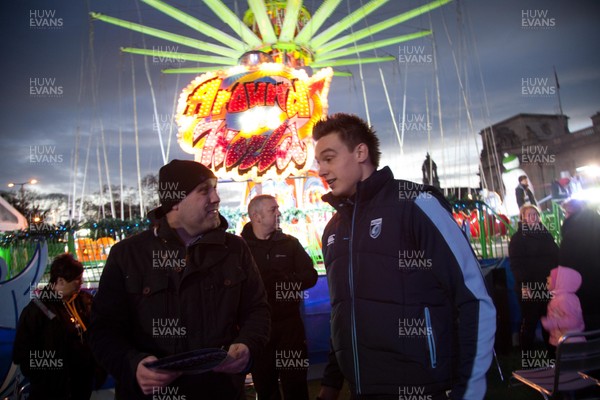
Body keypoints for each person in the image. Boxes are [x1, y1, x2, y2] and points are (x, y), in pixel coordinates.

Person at [312, 113, 496, 400]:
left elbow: (475, 298)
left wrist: (470, 392)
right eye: (319, 161)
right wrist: (332, 383)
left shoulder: (416, 203)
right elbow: (344, 312)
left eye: (329, 158)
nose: (321, 170)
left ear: (360, 152)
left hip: (427, 388)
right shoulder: (333, 229)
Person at [89, 160, 270, 399]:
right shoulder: (127, 255)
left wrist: (248, 346)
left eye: (214, 188)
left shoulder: (235, 249)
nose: (216, 198)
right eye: (204, 190)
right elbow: (102, 330)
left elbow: (257, 311)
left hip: (220, 392)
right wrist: (133, 365)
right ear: (175, 202)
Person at [241, 194, 318, 400]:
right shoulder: (241, 249)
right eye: (273, 210)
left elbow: (310, 276)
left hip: (290, 329)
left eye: (278, 209)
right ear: (256, 216)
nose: (279, 213)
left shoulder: (290, 244)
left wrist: (286, 281)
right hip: (259, 332)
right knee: (266, 388)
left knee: (296, 386)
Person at [13, 253, 100, 400]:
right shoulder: (36, 310)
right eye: (77, 280)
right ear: (60, 281)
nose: (81, 282)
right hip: (51, 391)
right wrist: (50, 373)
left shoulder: (84, 302)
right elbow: (21, 354)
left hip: (81, 387)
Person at [508, 205, 558, 351]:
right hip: (529, 286)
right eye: (529, 215)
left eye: (535, 214)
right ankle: (529, 357)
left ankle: (552, 357)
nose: (533, 217)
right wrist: (524, 285)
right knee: (530, 320)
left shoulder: (546, 235)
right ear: (522, 218)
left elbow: (556, 256)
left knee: (548, 320)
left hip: (547, 284)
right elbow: (516, 264)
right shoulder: (518, 239)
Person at [559, 200, 600, 330]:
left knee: (588, 329)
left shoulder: (572, 231)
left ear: (569, 213)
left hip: (582, 291)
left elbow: (566, 263)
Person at [541, 266, 585, 347]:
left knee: (567, 359)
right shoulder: (560, 297)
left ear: (560, 281)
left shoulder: (565, 299)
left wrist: (551, 323)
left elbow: (574, 321)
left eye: (551, 276)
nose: (547, 278)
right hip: (563, 339)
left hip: (570, 343)